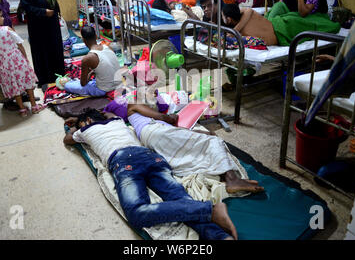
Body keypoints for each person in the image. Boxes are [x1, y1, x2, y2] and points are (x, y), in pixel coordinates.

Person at [63, 109, 238, 240]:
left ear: (87, 120)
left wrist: (74, 123)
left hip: (124, 161)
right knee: (181, 199)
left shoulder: (84, 131)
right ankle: (221, 237)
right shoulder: (117, 121)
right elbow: (107, 113)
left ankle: (209, 210)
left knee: (137, 213)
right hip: (152, 157)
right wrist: (86, 118)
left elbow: (67, 139)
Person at [105, 101, 264, 194]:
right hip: (157, 132)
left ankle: (223, 175)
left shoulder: (137, 123)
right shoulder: (133, 107)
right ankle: (232, 179)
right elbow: (164, 118)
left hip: (152, 138)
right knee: (213, 141)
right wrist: (172, 117)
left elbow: (175, 133)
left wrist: (194, 132)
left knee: (199, 142)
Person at [0, 4, 45, 117]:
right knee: (27, 82)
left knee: (14, 86)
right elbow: (20, 45)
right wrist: (25, 59)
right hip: (17, 60)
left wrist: (0, 56)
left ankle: (22, 109)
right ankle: (34, 106)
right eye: (1, 16)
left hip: (3, 65)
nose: (3, 18)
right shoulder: (6, 29)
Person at [19, 0, 65, 87]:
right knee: (43, 50)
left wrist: (56, 12)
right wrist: (43, 12)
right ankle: (46, 78)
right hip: (39, 26)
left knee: (55, 47)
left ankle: (58, 73)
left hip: (51, 23)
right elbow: (26, 7)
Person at [63, 26, 121, 96]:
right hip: (119, 85)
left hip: (104, 90)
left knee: (67, 85)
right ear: (96, 36)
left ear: (83, 40)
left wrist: (90, 74)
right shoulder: (108, 47)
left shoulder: (88, 58)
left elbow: (83, 83)